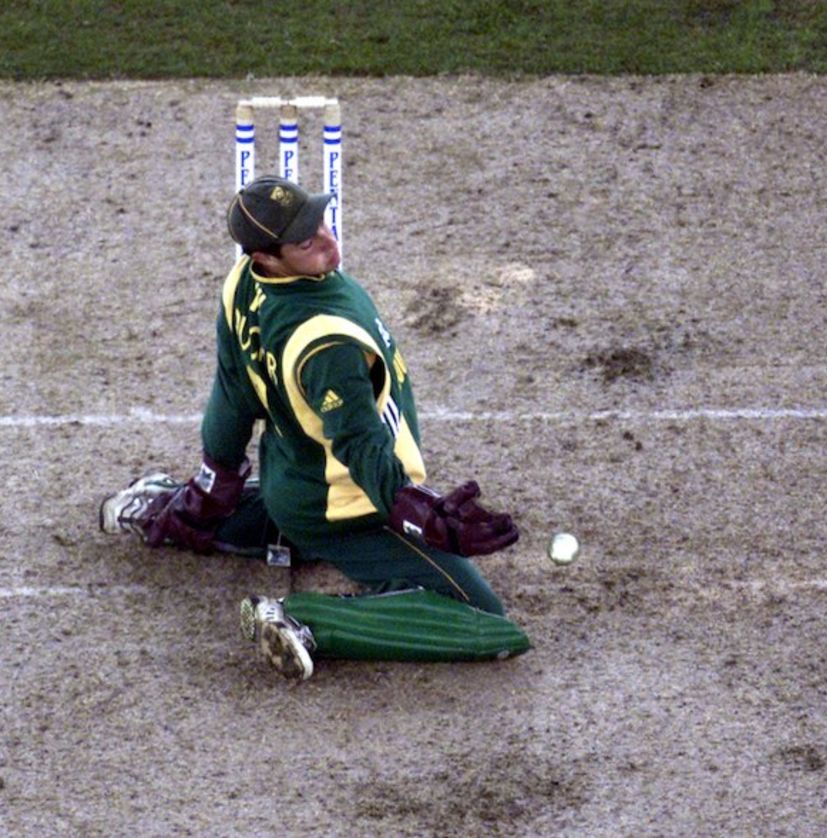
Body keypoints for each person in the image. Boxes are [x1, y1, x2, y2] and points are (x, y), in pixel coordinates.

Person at [100, 175, 529, 681]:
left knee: (281, 511)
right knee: (485, 619)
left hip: (294, 473)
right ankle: (303, 620)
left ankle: (166, 506)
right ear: (268, 258)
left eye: (321, 222)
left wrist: (213, 481)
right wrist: (417, 512)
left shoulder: (242, 283)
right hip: (348, 504)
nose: (330, 241)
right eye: (307, 242)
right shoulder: (327, 344)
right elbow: (360, 443)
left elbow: (232, 390)